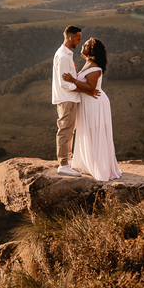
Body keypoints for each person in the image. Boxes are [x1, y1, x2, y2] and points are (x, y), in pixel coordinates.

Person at [63, 38, 122, 182]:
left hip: (95, 102)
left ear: (92, 50)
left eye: (87, 44)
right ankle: (88, 163)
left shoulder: (95, 67)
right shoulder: (88, 63)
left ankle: (100, 167)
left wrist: (73, 80)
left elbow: (91, 88)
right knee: (87, 132)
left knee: (95, 133)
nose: (83, 45)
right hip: (89, 102)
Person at [51, 26, 85, 176]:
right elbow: (64, 83)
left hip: (69, 98)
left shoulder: (66, 55)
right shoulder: (64, 56)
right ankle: (63, 164)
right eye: (78, 39)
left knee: (69, 131)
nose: (79, 42)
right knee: (65, 130)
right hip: (67, 99)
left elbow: (67, 78)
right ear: (71, 38)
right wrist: (82, 88)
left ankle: (67, 161)